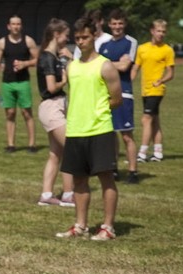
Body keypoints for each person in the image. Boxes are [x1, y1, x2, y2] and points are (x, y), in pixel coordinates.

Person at [56, 17, 122, 241]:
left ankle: (108, 227)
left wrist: (97, 112)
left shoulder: (105, 65)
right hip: (75, 130)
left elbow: (116, 99)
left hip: (100, 130)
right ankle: (80, 225)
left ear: (94, 36)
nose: (80, 41)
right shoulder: (71, 66)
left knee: (106, 178)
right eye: (77, 38)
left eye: (84, 37)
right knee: (79, 181)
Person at [35, 18, 75, 207]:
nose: (68, 39)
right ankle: (68, 194)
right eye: (66, 35)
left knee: (55, 154)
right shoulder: (48, 57)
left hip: (53, 106)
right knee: (72, 149)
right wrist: (64, 80)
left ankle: (46, 195)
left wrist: (70, 59)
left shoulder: (53, 56)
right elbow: (51, 87)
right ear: (56, 34)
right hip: (52, 107)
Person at [99, 9, 139, 184]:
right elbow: (98, 67)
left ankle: (133, 171)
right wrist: (114, 64)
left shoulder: (130, 42)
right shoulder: (103, 45)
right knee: (110, 134)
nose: (117, 27)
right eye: (114, 23)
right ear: (109, 25)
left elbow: (124, 67)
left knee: (126, 135)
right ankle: (113, 168)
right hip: (105, 95)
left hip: (123, 94)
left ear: (125, 24)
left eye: (120, 23)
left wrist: (107, 63)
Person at [0, 15, 38, 153]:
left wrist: (25, 63)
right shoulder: (2, 43)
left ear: (21, 26)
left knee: (26, 113)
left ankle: (32, 144)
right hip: (7, 82)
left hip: (23, 82)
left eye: (18, 24)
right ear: (8, 26)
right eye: (13, 24)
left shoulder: (28, 41)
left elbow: (38, 59)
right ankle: (11, 145)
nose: (16, 26)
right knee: (10, 113)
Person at [131, 19, 175, 163]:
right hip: (145, 90)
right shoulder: (142, 48)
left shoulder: (167, 50)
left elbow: (171, 73)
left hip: (157, 90)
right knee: (154, 120)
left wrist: (161, 81)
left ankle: (142, 154)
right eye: (158, 31)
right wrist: (128, 83)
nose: (161, 34)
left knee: (146, 119)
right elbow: (136, 68)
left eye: (163, 31)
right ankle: (158, 153)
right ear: (152, 31)